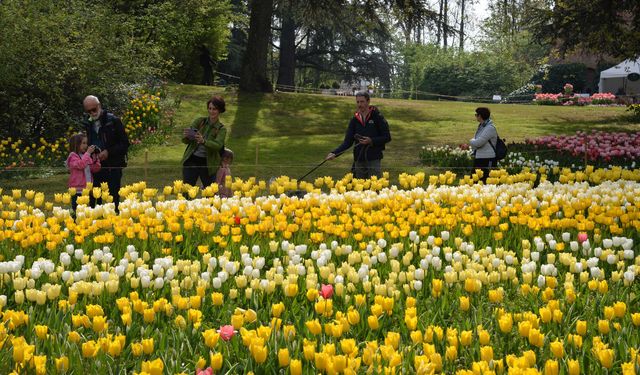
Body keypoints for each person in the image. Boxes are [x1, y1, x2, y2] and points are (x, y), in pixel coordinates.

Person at [325, 91, 391, 179]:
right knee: (359, 189)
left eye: (362, 101)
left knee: (374, 188)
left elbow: (387, 137)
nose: (359, 104)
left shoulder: (377, 117)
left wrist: (371, 141)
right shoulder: (354, 120)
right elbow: (347, 142)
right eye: (358, 102)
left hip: (374, 158)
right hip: (359, 159)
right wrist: (334, 153)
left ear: (368, 102)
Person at [82, 95, 129, 211]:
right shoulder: (88, 124)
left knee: (113, 198)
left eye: (94, 109)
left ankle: (115, 221)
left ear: (99, 106)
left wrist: (108, 152)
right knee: (94, 199)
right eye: (89, 111)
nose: (92, 113)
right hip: (95, 166)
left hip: (113, 165)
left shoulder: (113, 121)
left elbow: (125, 144)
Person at [181, 95, 227, 187]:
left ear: (220, 110)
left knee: (209, 193)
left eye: (214, 109)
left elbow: (217, 145)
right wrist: (187, 136)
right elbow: (185, 141)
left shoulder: (221, 129)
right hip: (192, 160)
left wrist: (204, 141)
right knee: (187, 190)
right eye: (209, 108)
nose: (211, 111)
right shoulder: (200, 121)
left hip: (208, 164)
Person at [66, 133, 101, 212]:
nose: (86, 146)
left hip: (87, 188)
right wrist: (88, 153)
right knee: (78, 210)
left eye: (86, 143)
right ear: (76, 144)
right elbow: (80, 165)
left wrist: (96, 158)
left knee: (87, 210)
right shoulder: (73, 156)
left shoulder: (85, 155)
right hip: (77, 189)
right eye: (83, 143)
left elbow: (95, 169)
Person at [470, 107, 498, 183]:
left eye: (476, 115)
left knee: (484, 181)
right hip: (479, 157)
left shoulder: (490, 128)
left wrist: (471, 141)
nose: (475, 116)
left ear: (480, 116)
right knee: (474, 181)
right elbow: (477, 141)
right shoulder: (481, 126)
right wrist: (474, 142)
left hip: (487, 158)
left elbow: (478, 143)